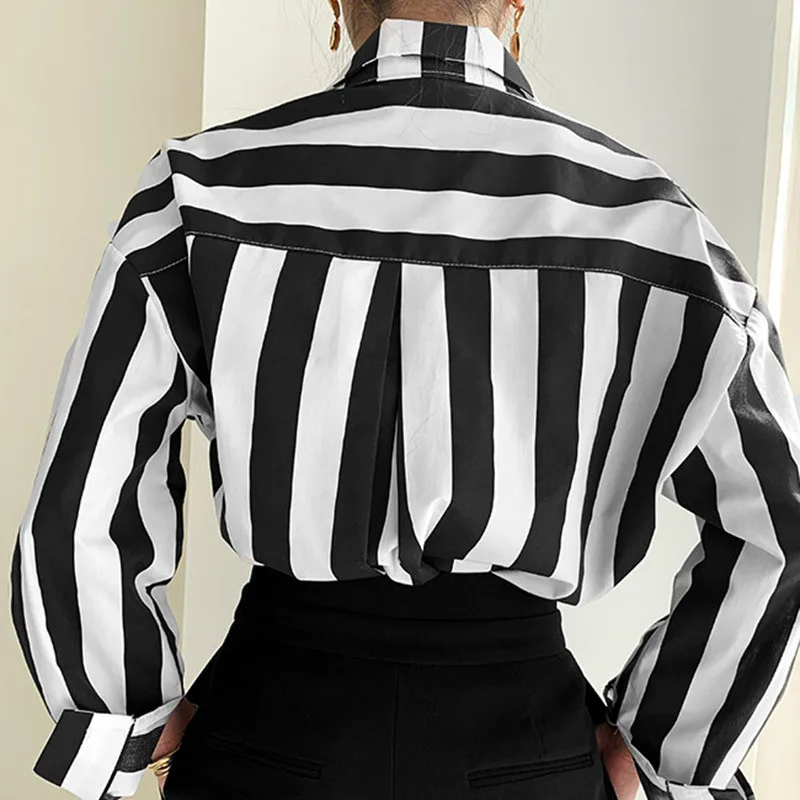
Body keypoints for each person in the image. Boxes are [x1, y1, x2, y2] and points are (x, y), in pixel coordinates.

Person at [10, 0, 799, 798]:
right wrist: (667, 749)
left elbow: (86, 487)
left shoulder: (201, 190)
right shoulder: (655, 226)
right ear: (516, 8)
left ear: (336, 6)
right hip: (526, 747)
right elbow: (780, 519)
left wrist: (128, 716)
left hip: (268, 732)